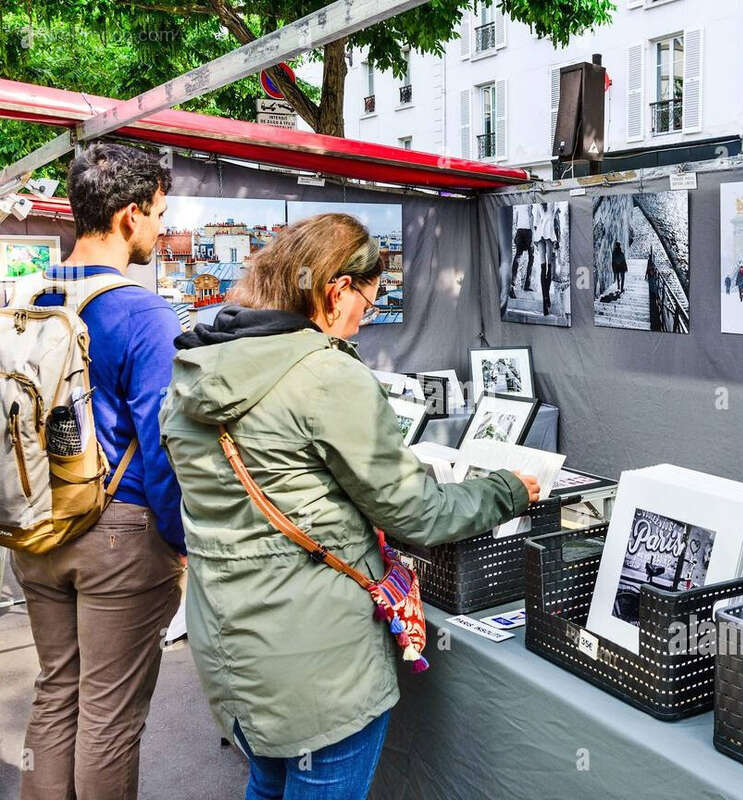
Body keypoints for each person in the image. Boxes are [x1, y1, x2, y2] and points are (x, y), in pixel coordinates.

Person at [158, 213, 541, 800]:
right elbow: (418, 513)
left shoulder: (193, 370)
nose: (366, 316)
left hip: (230, 646)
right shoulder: (325, 376)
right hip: (317, 665)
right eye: (370, 297)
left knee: (265, 781)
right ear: (336, 290)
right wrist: (508, 490)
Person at [10, 143, 185, 800]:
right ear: (129, 215)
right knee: (109, 719)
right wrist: (180, 542)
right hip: (119, 535)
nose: (159, 230)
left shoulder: (30, 294)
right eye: (158, 215)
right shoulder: (145, 313)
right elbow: (164, 446)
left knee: (56, 695)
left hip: (36, 523)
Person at [532, 202, 560, 317]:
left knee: (543, 267)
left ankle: (545, 301)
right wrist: (557, 239)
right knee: (548, 267)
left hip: (540, 233)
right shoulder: (553, 203)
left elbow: (535, 223)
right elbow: (556, 219)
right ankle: (546, 297)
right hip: (548, 231)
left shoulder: (539, 204)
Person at [509, 204, 534, 298]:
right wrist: (533, 234)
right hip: (528, 231)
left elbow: (515, 219)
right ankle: (527, 284)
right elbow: (530, 216)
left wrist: (515, 232)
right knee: (531, 258)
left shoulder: (518, 205)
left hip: (519, 231)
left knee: (518, 257)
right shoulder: (529, 203)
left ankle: (512, 285)